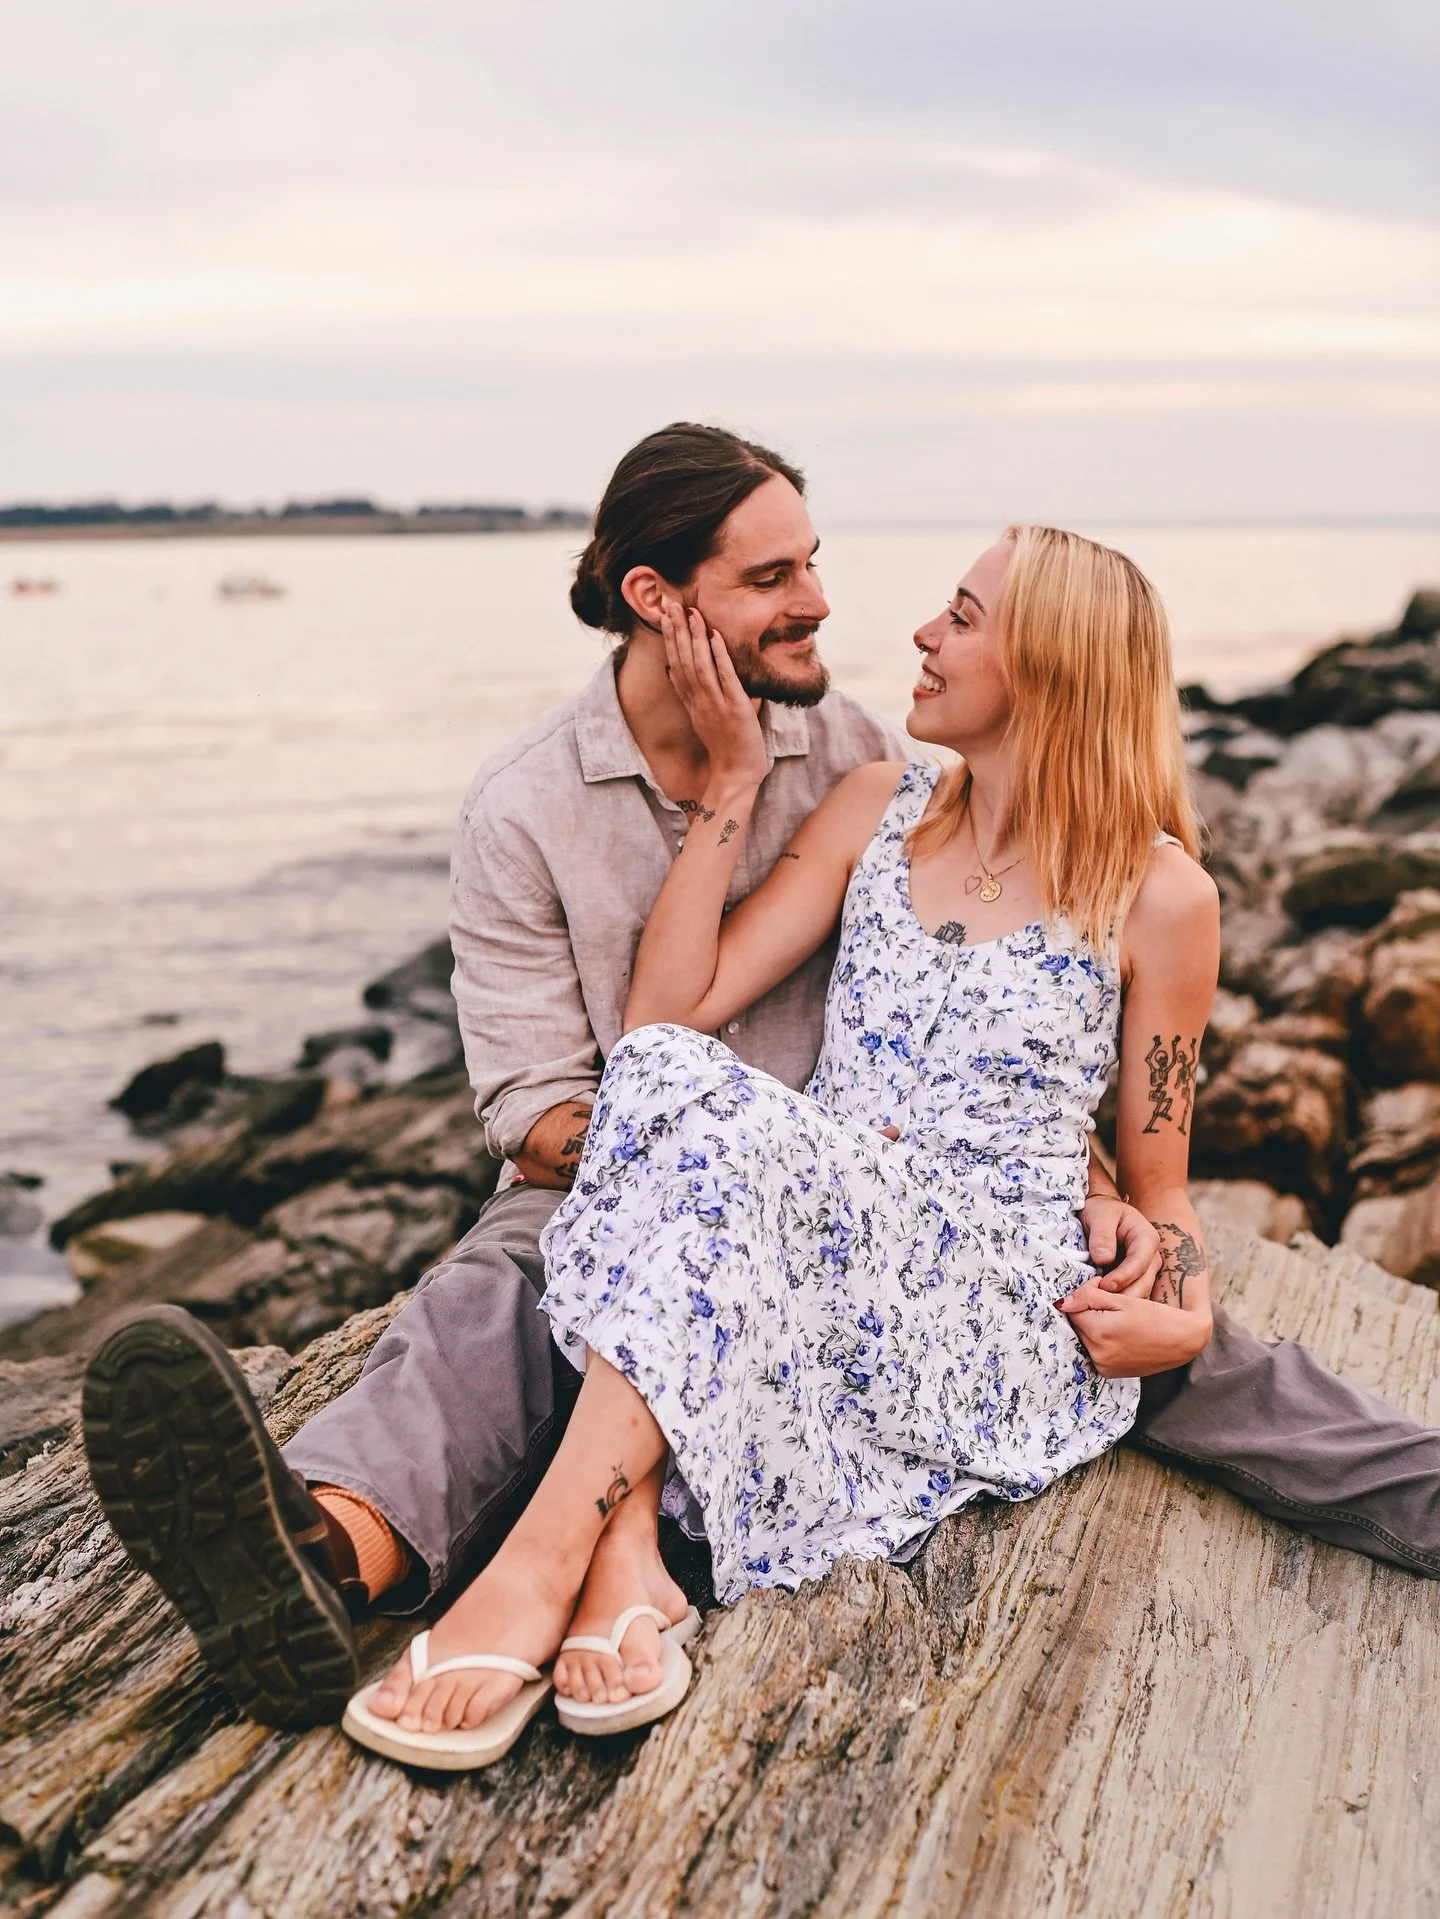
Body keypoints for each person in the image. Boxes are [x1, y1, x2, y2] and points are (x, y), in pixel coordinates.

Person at [81, 425, 1161, 1732]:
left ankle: (560, 1564)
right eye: (771, 578)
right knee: (487, 1300)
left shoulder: (864, 751)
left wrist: (1082, 1165)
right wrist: (690, 1160)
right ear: (658, 599)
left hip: (848, 1202)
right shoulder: (523, 808)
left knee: (651, 1237)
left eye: (812, 562)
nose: (820, 600)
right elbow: (534, 1112)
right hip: (605, 1168)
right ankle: (320, 1559)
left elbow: (983, 1004)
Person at [343, 522, 1221, 1762]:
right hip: (805, 1235)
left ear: (1056, 667)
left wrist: (1182, 1309)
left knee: (737, 1137)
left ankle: (541, 1567)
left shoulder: (1163, 895)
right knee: (667, 1071)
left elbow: (1165, 1182)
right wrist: (736, 779)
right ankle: (629, 1555)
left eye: (962, 617)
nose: (922, 632)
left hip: (985, 1301)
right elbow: (665, 1014)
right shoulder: (881, 806)